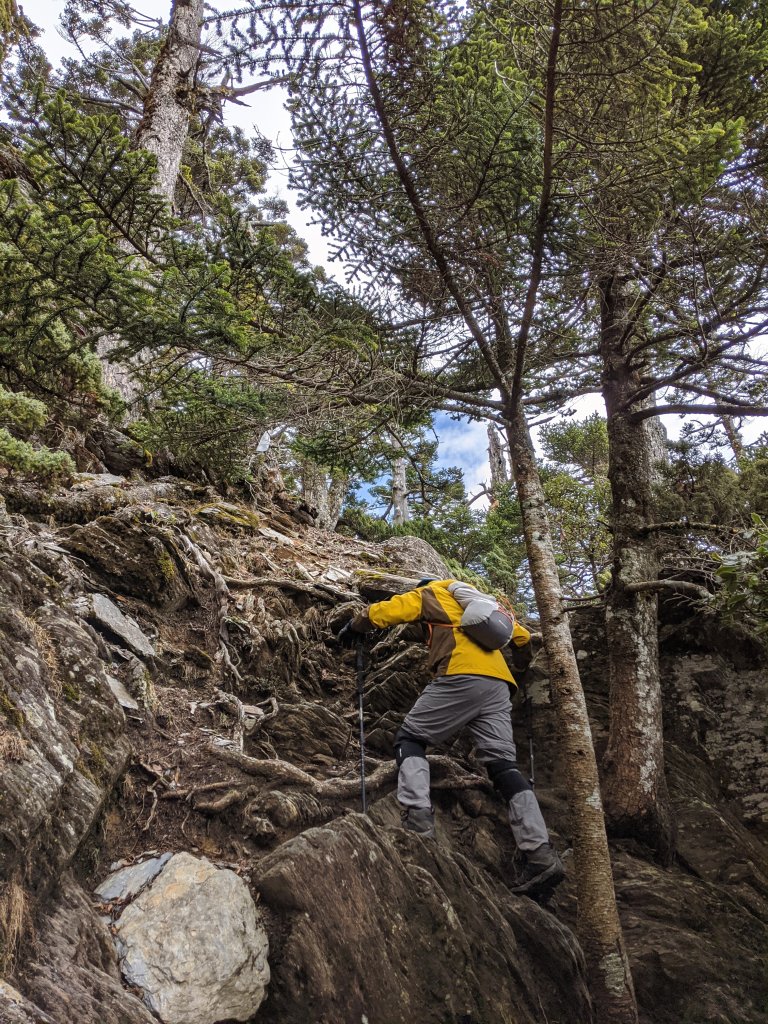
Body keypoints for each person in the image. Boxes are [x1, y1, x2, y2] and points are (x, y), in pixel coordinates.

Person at [336, 576, 565, 899]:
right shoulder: (484, 605)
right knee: (503, 767)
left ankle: (418, 824)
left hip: (460, 674)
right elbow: (523, 638)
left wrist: (356, 625)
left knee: (409, 740)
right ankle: (540, 855)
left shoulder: (432, 593)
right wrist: (521, 668)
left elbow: (391, 610)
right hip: (500, 686)